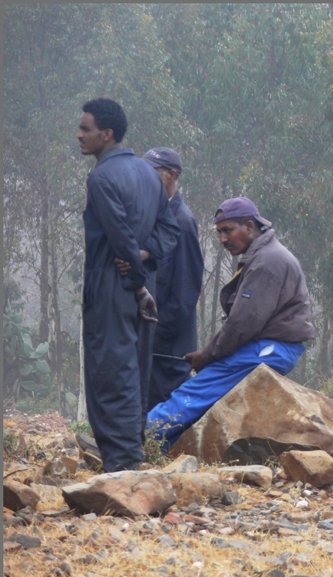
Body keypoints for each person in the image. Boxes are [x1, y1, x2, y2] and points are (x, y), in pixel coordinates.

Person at [146, 196, 315, 449]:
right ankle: (161, 448)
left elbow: (242, 323)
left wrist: (208, 355)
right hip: (272, 346)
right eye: (219, 233)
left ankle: (134, 439)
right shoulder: (263, 255)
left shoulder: (267, 261)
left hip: (271, 347)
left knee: (196, 391)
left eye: (228, 230)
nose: (223, 239)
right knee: (205, 395)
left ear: (249, 225)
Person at [78, 98, 180, 471]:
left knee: (110, 371)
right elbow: (169, 230)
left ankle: (121, 464)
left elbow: (119, 236)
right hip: (141, 285)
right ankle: (131, 454)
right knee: (135, 368)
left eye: (86, 129)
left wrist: (136, 280)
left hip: (115, 285)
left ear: (106, 134)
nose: (79, 135)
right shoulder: (149, 175)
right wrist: (145, 256)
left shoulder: (101, 178)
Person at [140, 147, 204, 410]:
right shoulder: (150, 218)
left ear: (172, 176)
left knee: (165, 413)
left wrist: (158, 333)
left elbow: (186, 292)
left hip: (168, 348)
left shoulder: (182, 223)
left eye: (152, 173)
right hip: (147, 340)